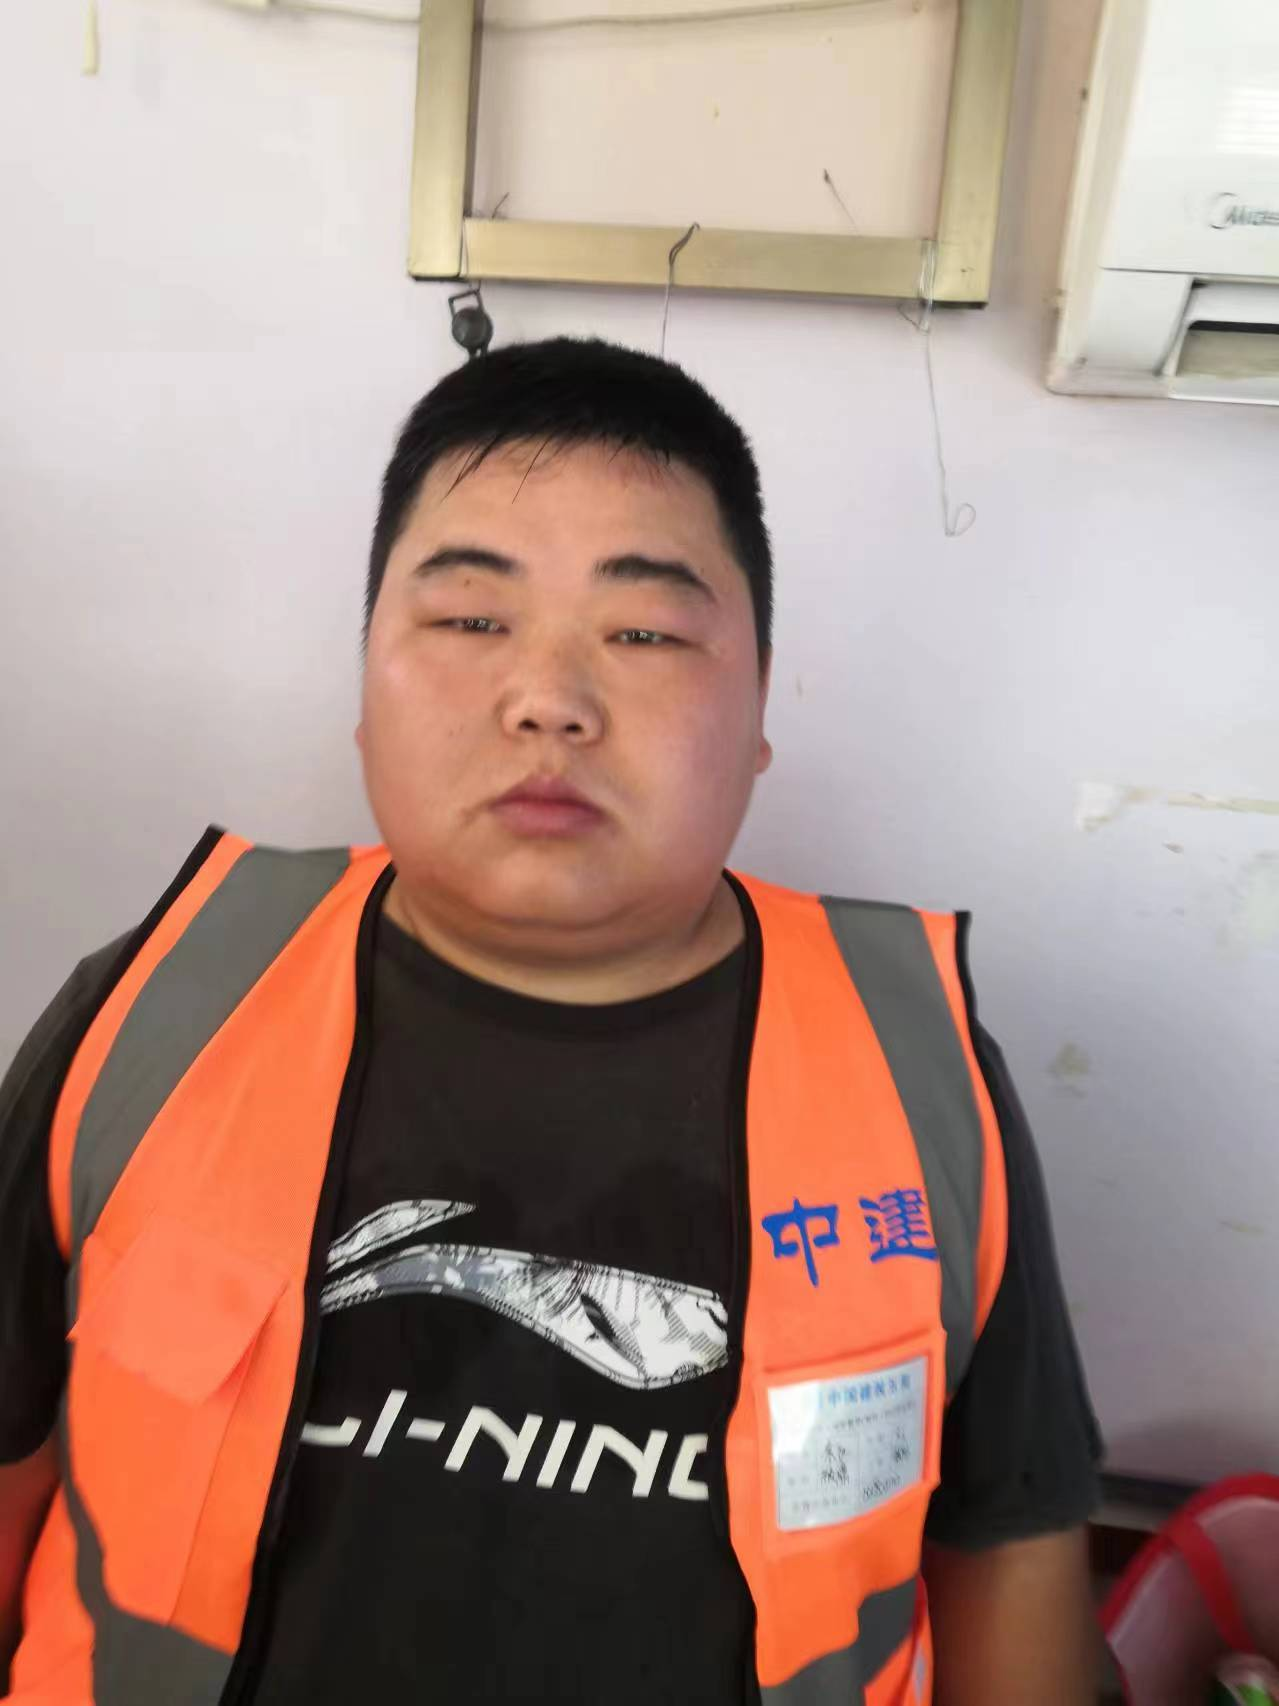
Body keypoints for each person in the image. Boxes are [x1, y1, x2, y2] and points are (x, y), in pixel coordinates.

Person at [0, 337, 1102, 1706]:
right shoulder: (161, 1001)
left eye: (644, 633)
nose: (548, 701)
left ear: (760, 704)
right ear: (361, 683)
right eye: (471, 620)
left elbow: (1010, 1542)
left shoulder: (916, 1065)